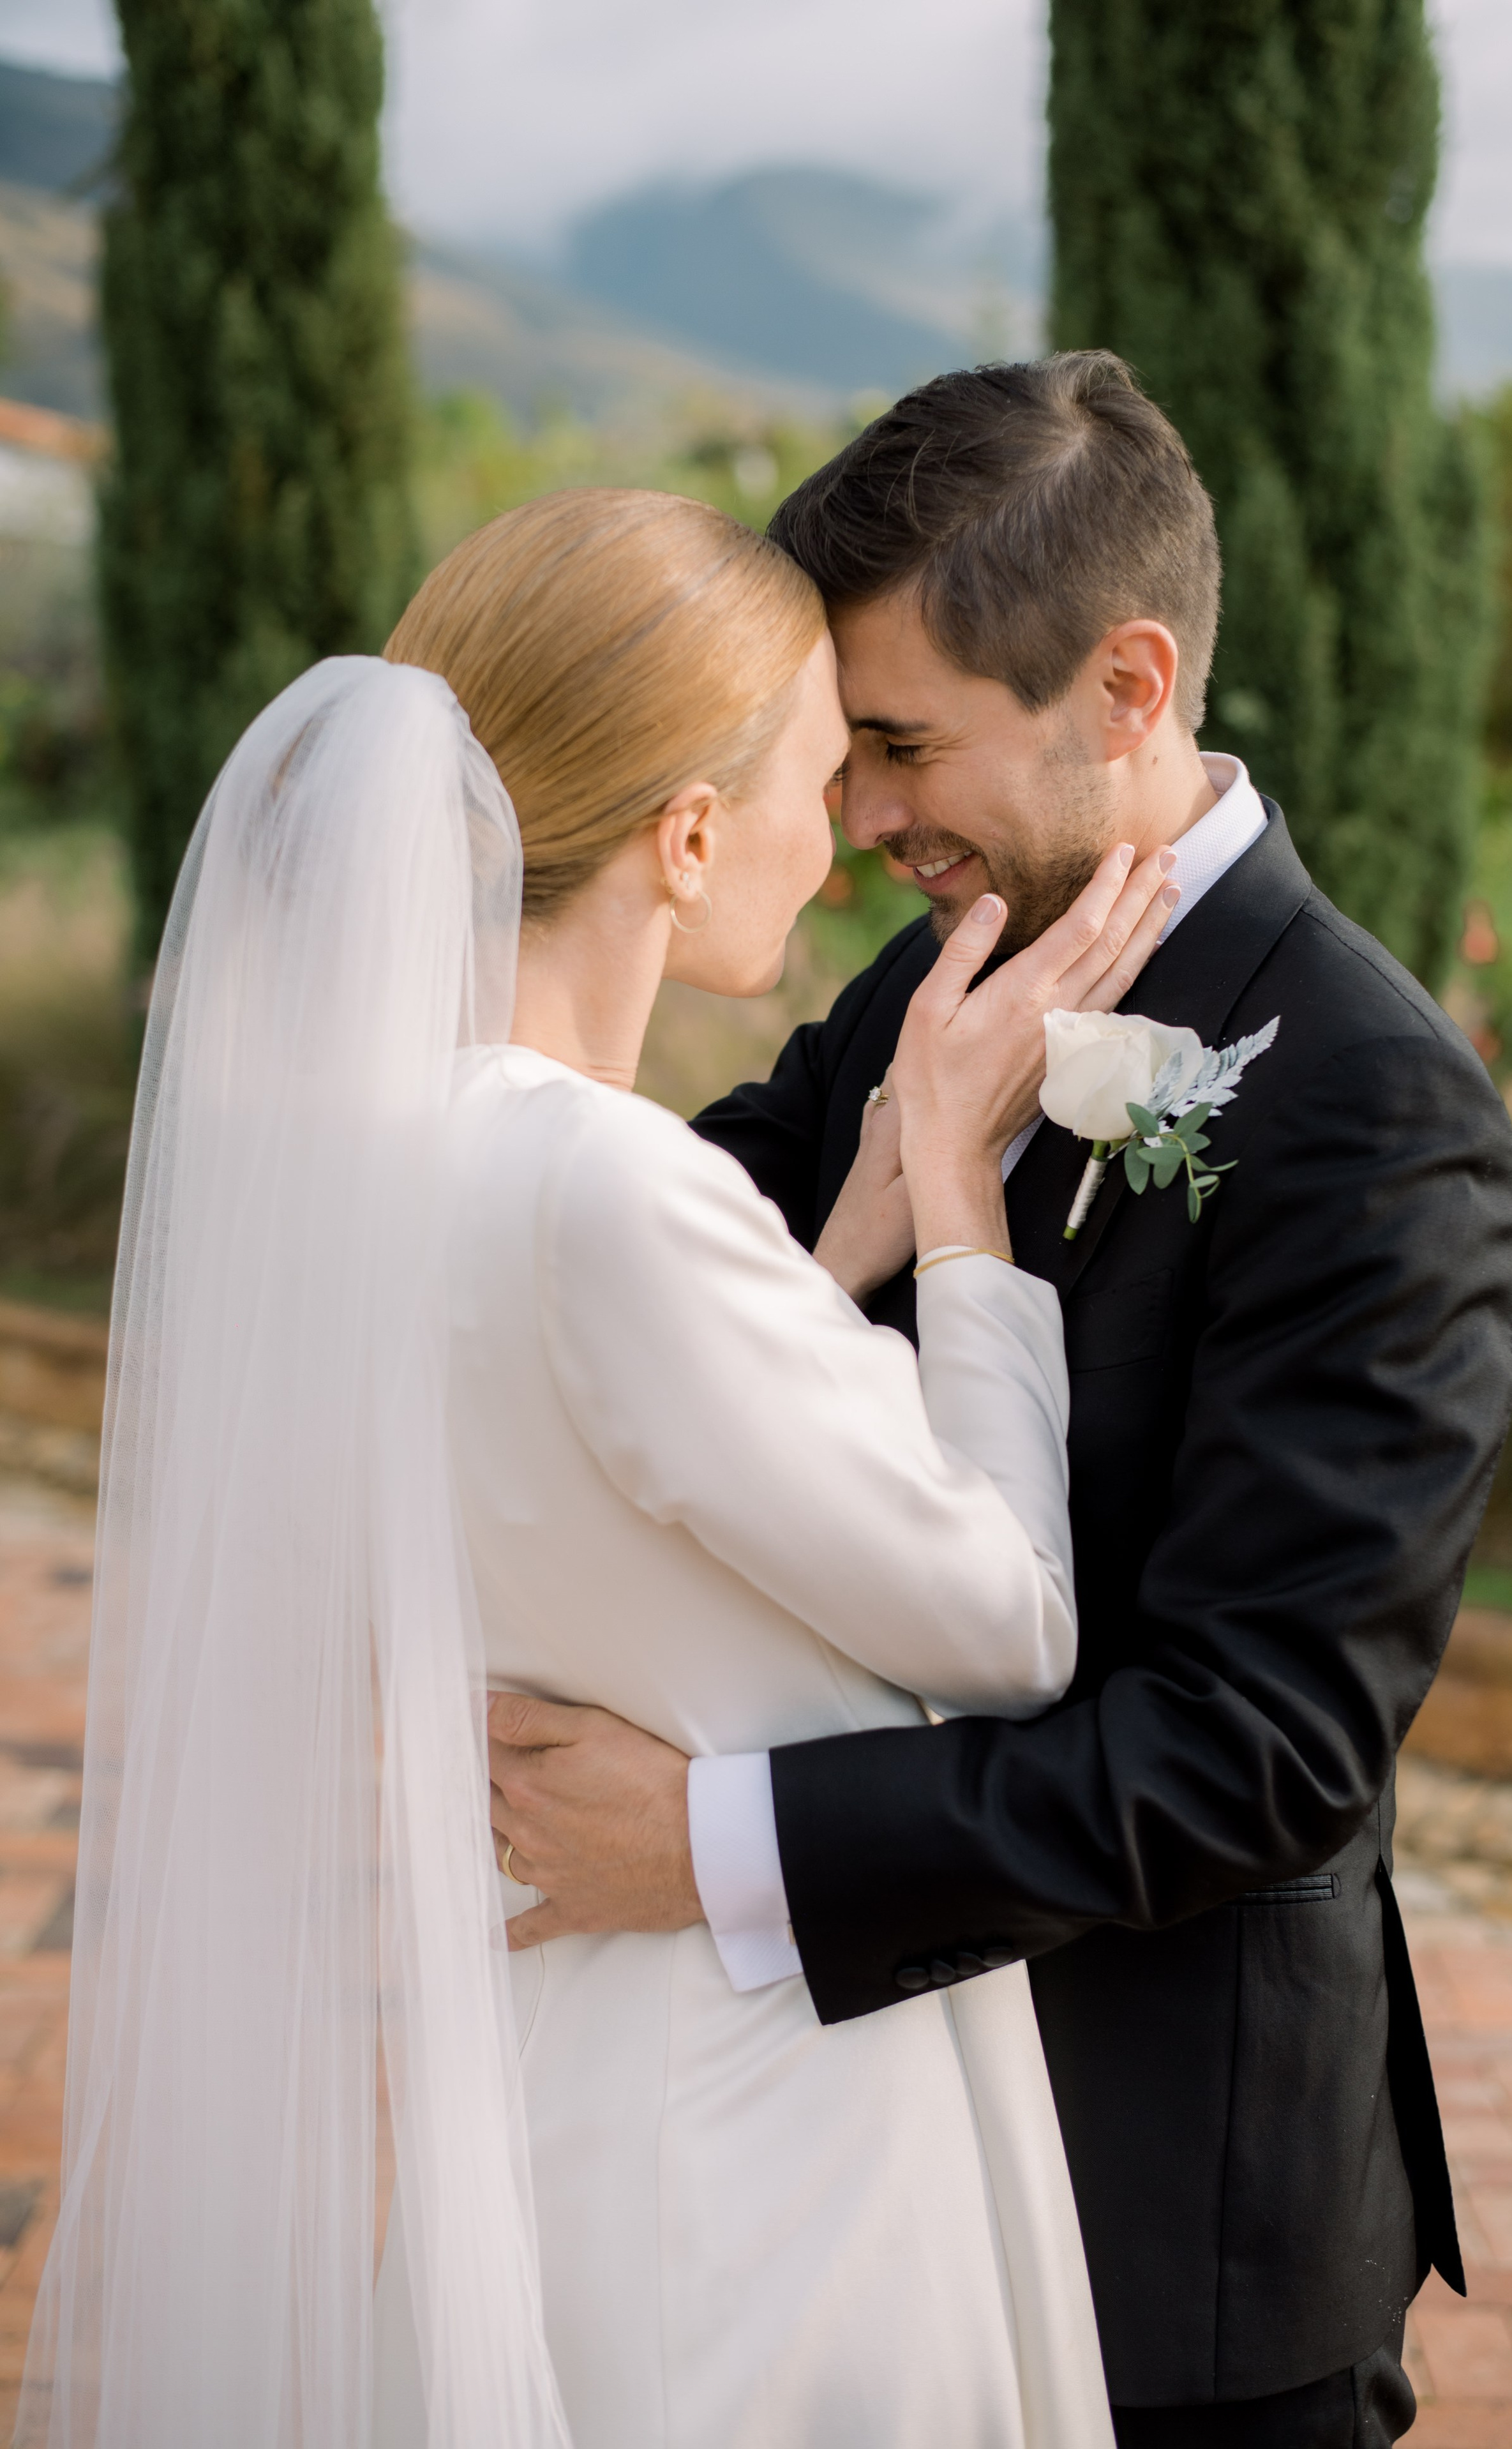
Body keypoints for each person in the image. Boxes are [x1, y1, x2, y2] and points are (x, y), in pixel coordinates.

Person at [19, 485, 1179, 2449]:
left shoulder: (387, 1158)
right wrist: (960, 1202)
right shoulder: (613, 1187)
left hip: (564, 2074)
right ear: (691, 832)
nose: (845, 836)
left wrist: (831, 1256)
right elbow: (1011, 1623)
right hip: (769, 2142)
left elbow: (626, 1456)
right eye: (819, 772)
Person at [483, 355, 1512, 2448]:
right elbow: (673, 1280)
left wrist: (704, 1840)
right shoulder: (932, 973)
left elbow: (1254, 1750)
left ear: (1127, 686)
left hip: (1171, 2225)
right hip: (846, 2187)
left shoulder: (1376, 1107)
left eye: (898, 742)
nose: (860, 816)